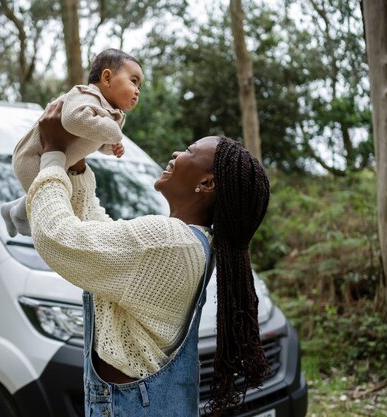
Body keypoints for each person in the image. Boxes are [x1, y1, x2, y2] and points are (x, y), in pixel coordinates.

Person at [26, 101, 272, 416]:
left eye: (189, 151)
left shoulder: (169, 242)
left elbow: (57, 236)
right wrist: (76, 168)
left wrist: (53, 154)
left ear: (207, 184)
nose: (176, 155)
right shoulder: (190, 243)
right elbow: (99, 240)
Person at [0, 48, 143, 237]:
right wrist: (114, 133)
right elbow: (73, 120)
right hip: (32, 157)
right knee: (50, 198)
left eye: (139, 86)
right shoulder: (85, 95)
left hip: (55, 161)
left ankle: (12, 210)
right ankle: (19, 215)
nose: (137, 91)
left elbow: (94, 140)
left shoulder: (108, 113)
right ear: (107, 78)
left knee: (57, 194)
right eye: (133, 81)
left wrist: (110, 146)